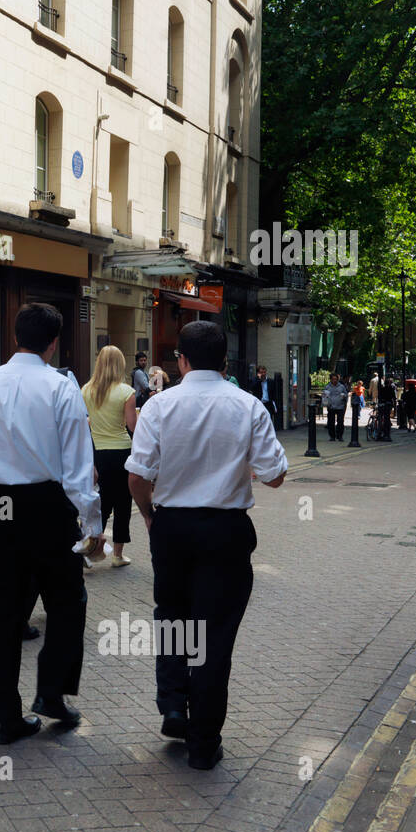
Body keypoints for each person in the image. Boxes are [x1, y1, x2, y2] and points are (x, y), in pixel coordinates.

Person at [126, 320, 288, 771]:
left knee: (173, 618)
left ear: (180, 359)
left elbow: (137, 476)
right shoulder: (248, 405)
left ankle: (174, 706)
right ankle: (203, 743)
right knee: (214, 637)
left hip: (173, 528)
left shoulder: (159, 406)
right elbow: (275, 475)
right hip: (225, 531)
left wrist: (149, 515)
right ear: (224, 362)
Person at [0, 303, 103, 744]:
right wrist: (93, 523)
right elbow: (79, 468)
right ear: (53, 343)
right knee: (66, 601)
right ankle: (52, 695)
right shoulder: (61, 388)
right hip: (47, 504)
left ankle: (5, 717)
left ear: (14, 334)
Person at [81, 345, 137, 568]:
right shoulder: (126, 392)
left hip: (98, 452)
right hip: (122, 451)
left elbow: (86, 422)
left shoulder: (86, 390)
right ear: (120, 364)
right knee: (123, 502)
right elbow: (132, 425)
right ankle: (118, 555)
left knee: (101, 502)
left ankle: (91, 549)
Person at [322, 373, 348, 441]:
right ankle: (332, 436)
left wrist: (344, 397)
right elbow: (324, 397)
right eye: (333, 379)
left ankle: (340, 436)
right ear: (330, 379)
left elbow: (346, 395)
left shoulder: (341, 387)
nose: (334, 380)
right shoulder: (327, 387)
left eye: (336, 379)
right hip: (331, 407)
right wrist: (326, 403)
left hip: (340, 407)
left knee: (340, 422)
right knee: (331, 422)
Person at [377, 374, 395, 440]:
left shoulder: (382, 389)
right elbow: (394, 397)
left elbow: (379, 397)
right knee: (387, 418)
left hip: (382, 404)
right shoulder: (391, 389)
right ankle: (387, 434)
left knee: (381, 417)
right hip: (388, 404)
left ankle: (381, 432)